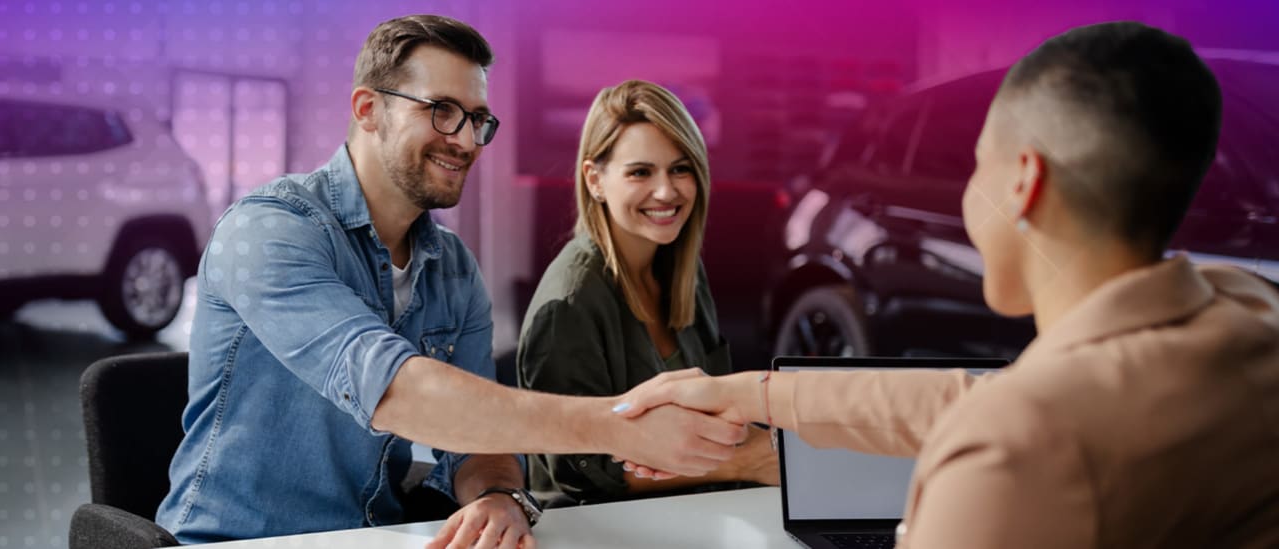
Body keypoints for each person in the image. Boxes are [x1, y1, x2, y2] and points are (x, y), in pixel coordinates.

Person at [613, 21, 1279, 548]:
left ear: (1023, 182)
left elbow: (1007, 420)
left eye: (976, 166)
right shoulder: (1247, 309)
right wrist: (749, 393)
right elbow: (976, 399)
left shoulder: (1012, 453)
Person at [157, 15, 746, 545]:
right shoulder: (269, 231)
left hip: (377, 536)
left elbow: (477, 446)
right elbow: (396, 392)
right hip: (235, 542)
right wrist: (621, 428)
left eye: (478, 120)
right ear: (368, 109)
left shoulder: (454, 266)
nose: (465, 140)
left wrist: (498, 495)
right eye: (441, 110)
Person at [517, 80, 778, 505]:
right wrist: (747, 462)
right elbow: (581, 474)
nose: (666, 191)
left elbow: (716, 413)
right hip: (599, 525)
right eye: (640, 172)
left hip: (697, 509)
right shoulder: (569, 304)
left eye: (680, 168)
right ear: (595, 180)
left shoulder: (683, 271)